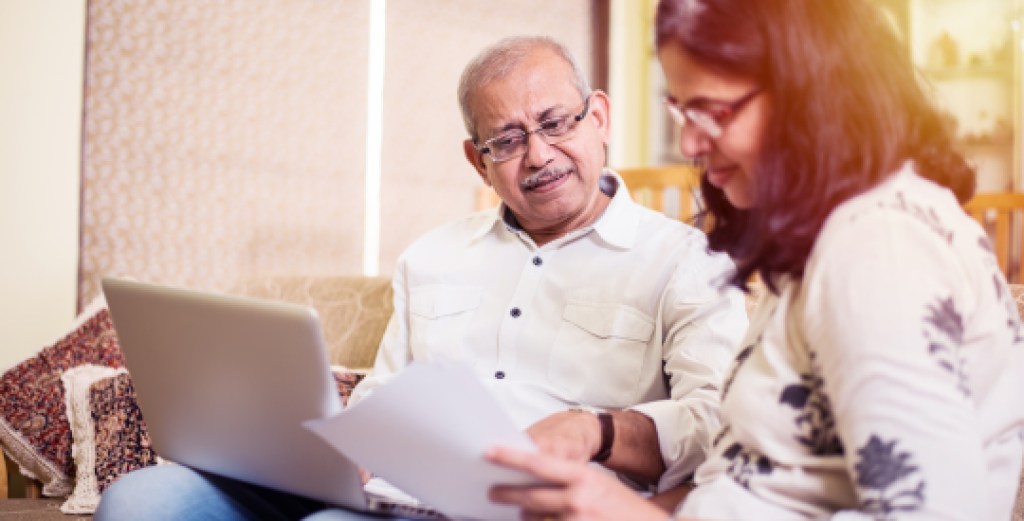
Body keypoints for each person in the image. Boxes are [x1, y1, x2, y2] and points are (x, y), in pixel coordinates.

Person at [95, 35, 748, 521]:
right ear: (477, 159)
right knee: (140, 499)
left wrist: (595, 429)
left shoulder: (688, 260)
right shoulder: (432, 255)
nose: (539, 154)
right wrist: (346, 439)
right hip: (391, 491)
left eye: (555, 123)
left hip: (535, 505)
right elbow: (386, 392)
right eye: (508, 139)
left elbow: (720, 423)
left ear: (598, 117)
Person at [484, 1, 1024, 520]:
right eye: (681, 108)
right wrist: (601, 436)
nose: (690, 141)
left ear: (815, 94)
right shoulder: (846, 235)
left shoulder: (877, 246)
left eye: (713, 111)